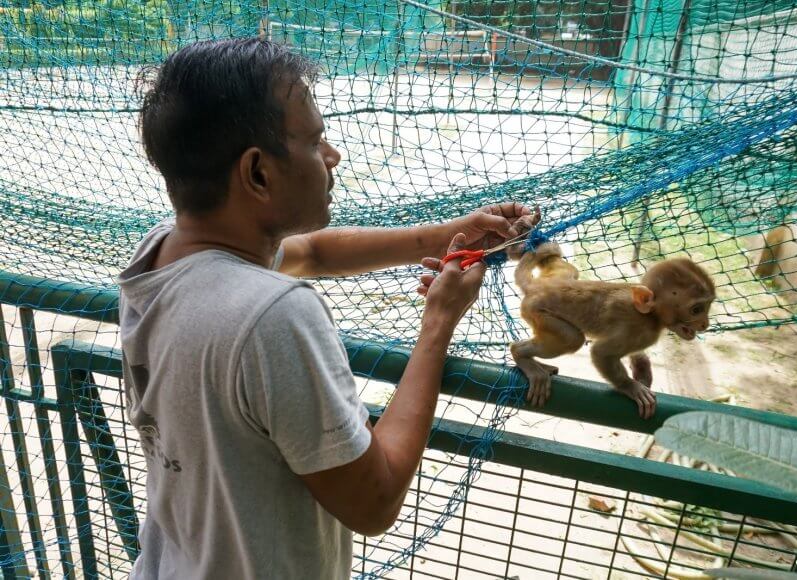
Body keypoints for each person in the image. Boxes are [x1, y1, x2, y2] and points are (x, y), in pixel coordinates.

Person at [119, 38, 532, 579]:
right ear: (258, 173)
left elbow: (312, 251)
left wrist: (446, 234)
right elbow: (374, 502)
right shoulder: (273, 314)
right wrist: (437, 325)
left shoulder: (159, 256)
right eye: (315, 142)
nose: (332, 155)